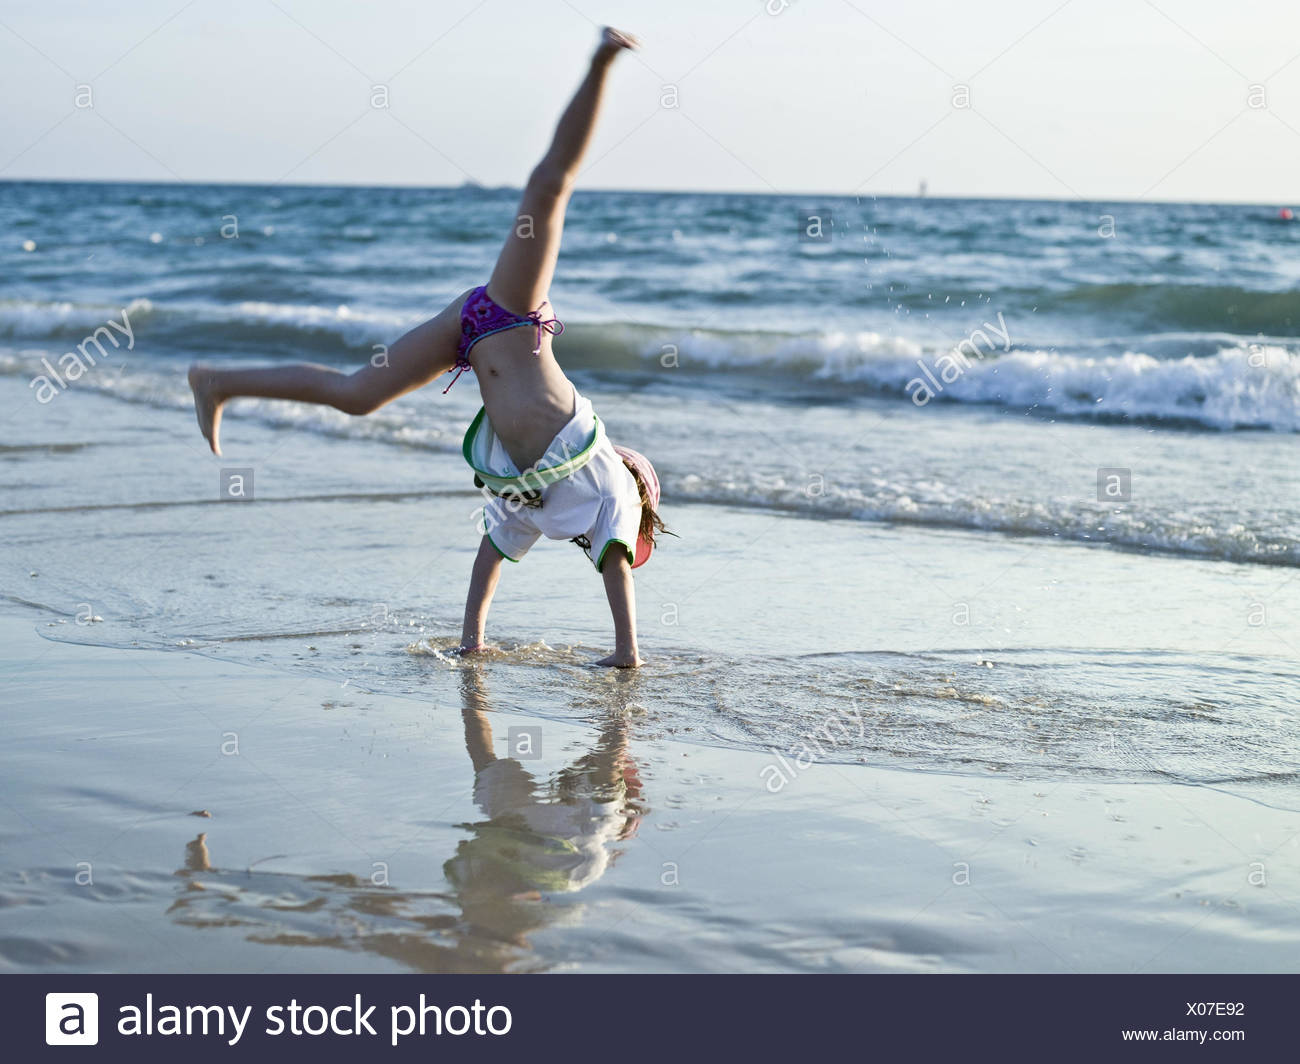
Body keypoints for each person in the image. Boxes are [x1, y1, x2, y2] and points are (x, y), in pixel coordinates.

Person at [187, 27, 665, 667]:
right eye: (635, 536)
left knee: (357, 395)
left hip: (466, 331)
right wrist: (628, 654)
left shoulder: (535, 500)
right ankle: (604, 60)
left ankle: (220, 381)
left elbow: (489, 556)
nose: (622, 545)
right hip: (509, 313)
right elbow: (615, 567)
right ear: (636, 500)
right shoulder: (610, 491)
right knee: (549, 189)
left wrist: (473, 643)